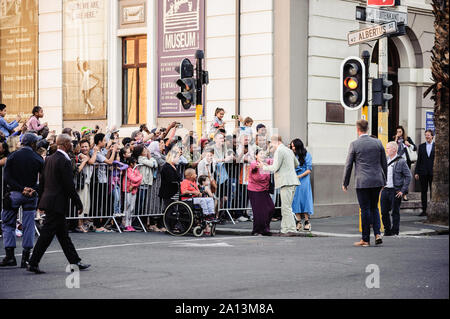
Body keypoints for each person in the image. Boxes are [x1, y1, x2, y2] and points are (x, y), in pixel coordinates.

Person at [27, 134, 91, 274]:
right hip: (56, 203)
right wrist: (78, 203)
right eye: (71, 143)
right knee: (46, 235)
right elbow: (68, 185)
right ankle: (33, 262)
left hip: (51, 202)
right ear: (65, 144)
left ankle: (75, 261)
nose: (73, 145)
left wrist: (41, 201)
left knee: (63, 236)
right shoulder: (64, 160)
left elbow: (43, 182)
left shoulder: (49, 159)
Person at [0, 133, 44, 268]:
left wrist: (20, 188)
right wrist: (33, 189)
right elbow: (43, 179)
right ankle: (25, 257)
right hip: (31, 195)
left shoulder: (13, 156)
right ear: (33, 144)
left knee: (8, 223)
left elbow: (6, 176)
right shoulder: (38, 158)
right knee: (29, 225)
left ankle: (10, 256)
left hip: (14, 193)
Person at [343, 120, 387, 247]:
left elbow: (348, 165)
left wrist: (345, 182)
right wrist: (385, 180)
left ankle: (366, 240)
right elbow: (384, 163)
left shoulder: (355, 144)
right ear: (367, 129)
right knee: (374, 207)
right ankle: (378, 234)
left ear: (358, 129)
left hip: (362, 182)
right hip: (377, 180)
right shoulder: (378, 142)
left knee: (365, 209)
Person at [258, 135, 300, 236]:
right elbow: (297, 163)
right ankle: (285, 229)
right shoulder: (288, 150)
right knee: (286, 207)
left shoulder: (279, 151)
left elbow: (275, 167)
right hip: (292, 181)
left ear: (276, 142)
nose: (271, 146)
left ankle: (291, 229)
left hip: (286, 181)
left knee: (286, 208)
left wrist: (263, 166)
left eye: (271, 143)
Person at [381, 142, 412, 236]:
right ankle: (387, 230)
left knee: (395, 212)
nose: (386, 150)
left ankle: (395, 231)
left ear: (394, 149)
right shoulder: (385, 160)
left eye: (388, 148)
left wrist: (403, 190)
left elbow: (408, 176)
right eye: (386, 148)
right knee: (383, 211)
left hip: (395, 190)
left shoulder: (401, 161)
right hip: (385, 189)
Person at [180, 169, 215, 234]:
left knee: (210, 199)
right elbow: (184, 192)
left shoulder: (193, 183)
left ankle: (211, 214)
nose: (196, 175)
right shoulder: (185, 182)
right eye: (195, 174)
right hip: (187, 199)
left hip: (195, 199)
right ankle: (206, 215)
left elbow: (198, 192)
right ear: (190, 175)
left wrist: (200, 193)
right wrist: (194, 192)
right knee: (202, 200)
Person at [290, 139, 314, 231]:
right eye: (291, 146)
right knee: (295, 200)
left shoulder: (307, 155)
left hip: (304, 180)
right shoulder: (293, 155)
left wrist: (299, 176)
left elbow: (309, 169)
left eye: (293, 146)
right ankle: (298, 222)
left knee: (304, 200)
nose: (292, 148)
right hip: (294, 179)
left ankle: (307, 222)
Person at [248, 149, 274, 236]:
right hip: (255, 191)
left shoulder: (267, 162)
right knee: (259, 212)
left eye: (264, 153)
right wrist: (260, 165)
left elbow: (276, 159)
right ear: (256, 156)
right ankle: (258, 230)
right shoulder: (254, 164)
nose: (263, 155)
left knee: (270, 208)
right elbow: (254, 165)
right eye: (260, 154)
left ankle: (265, 228)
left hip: (264, 190)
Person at [414, 129, 435, 217]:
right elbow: (419, 160)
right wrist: (416, 172)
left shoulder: (437, 146)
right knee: (424, 191)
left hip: (433, 173)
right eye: (425, 135)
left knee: (433, 192)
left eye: (428, 135)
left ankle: (432, 209)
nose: (427, 136)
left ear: (432, 136)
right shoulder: (421, 146)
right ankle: (424, 210)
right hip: (423, 172)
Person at [393, 126, 416, 201]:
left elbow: (415, 148)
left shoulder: (407, 139)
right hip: (397, 161)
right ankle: (398, 192)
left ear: (403, 132)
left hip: (406, 161)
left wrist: (409, 144)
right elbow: (392, 149)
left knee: (406, 178)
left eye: (400, 131)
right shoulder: (394, 139)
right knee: (398, 178)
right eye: (397, 132)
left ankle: (405, 194)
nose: (398, 133)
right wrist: (396, 140)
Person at [122, 157, 143, 232]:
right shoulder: (128, 170)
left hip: (133, 190)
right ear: (131, 164)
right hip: (128, 190)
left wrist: (134, 185)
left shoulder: (136, 170)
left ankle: (130, 224)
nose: (136, 164)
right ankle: (125, 224)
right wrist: (139, 177)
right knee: (127, 206)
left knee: (132, 208)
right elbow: (134, 179)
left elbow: (139, 180)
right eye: (135, 163)